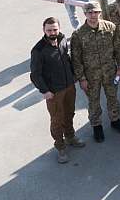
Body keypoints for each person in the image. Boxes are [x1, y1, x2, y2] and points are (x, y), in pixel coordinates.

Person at [71, 1, 120, 142]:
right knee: (93, 101)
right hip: (91, 75)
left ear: (100, 12)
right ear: (85, 14)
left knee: (112, 97)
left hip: (110, 71)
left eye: (96, 12)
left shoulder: (110, 27)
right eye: (90, 12)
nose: (93, 15)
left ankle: (115, 120)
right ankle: (96, 125)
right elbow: (76, 59)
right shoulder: (78, 34)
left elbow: (118, 49)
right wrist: (82, 79)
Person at [31, 17, 85, 164]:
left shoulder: (62, 40)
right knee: (57, 119)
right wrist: (45, 91)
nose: (52, 32)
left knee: (69, 113)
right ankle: (60, 147)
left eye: (55, 29)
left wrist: (74, 76)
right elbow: (35, 74)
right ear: (44, 30)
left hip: (69, 87)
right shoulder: (38, 50)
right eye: (49, 30)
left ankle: (70, 136)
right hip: (54, 92)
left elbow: (67, 59)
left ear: (59, 29)